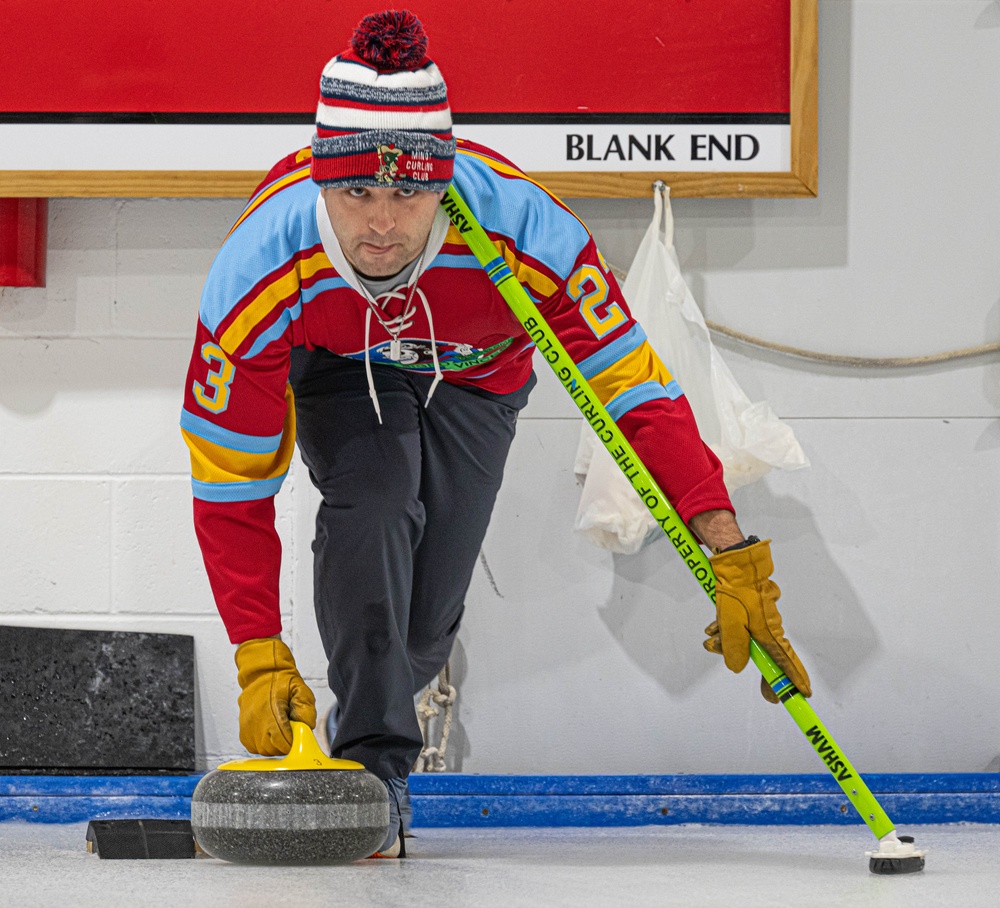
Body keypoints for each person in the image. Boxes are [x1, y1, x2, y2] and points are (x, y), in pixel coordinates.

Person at [180, 9, 811, 859]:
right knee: (375, 506)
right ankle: (375, 771)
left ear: (442, 184)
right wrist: (258, 650)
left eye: (407, 193)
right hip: (342, 369)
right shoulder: (260, 266)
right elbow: (231, 486)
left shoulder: (524, 229)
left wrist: (728, 547)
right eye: (355, 191)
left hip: (480, 376)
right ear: (320, 183)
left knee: (430, 607)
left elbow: (636, 391)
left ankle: (390, 702)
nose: (379, 223)